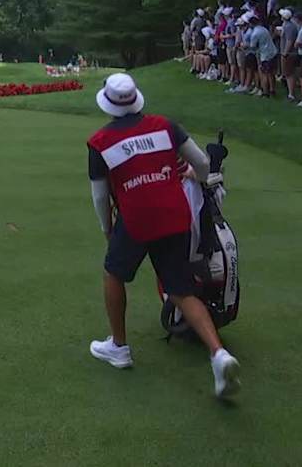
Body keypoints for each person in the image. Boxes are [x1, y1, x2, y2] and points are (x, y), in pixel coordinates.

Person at [85, 73, 242, 397]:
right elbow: (201, 163)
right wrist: (193, 175)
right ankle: (218, 354)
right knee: (180, 289)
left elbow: (101, 197)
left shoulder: (100, 142)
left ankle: (119, 347)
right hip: (175, 213)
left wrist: (107, 229)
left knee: (113, 274)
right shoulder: (165, 126)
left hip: (137, 218)